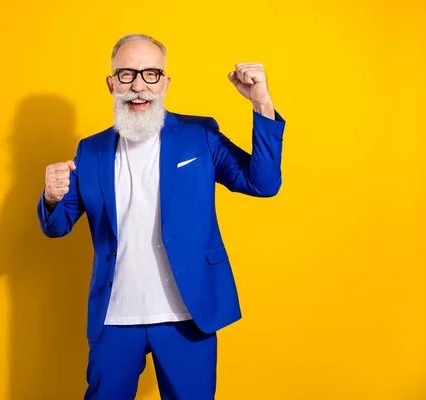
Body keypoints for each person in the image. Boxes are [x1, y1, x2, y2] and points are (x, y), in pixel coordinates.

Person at [37, 33, 286, 399]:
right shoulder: (89, 150)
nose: (139, 86)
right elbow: (57, 227)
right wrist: (50, 196)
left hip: (187, 314)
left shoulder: (200, 135)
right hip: (115, 318)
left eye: (151, 74)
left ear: (165, 82)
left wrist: (261, 103)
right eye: (126, 74)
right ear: (111, 84)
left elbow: (262, 183)